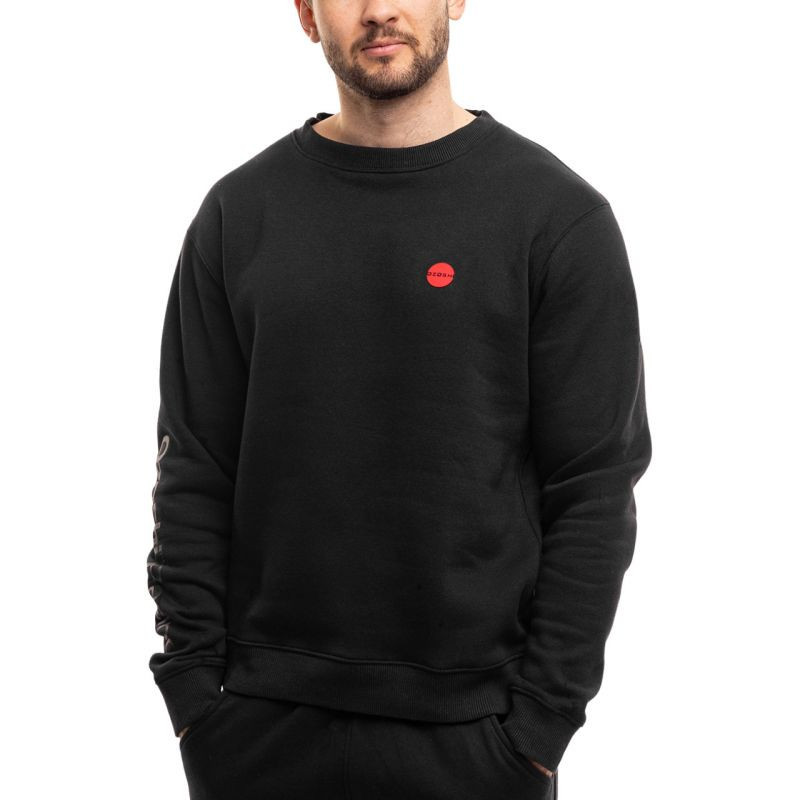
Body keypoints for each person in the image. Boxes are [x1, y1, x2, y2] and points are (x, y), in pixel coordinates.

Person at [146, 1, 652, 798]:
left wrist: (539, 727)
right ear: (307, 14)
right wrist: (192, 698)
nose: (380, 9)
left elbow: (593, 490)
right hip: (257, 729)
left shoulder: (557, 218)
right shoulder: (238, 215)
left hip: (478, 737)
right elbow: (193, 468)